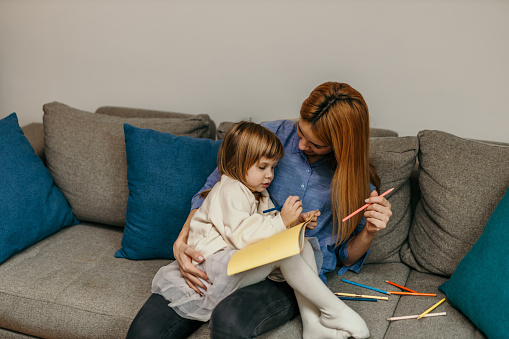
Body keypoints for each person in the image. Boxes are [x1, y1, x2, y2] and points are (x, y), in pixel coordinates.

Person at [127, 82, 392, 338]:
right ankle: (331, 312)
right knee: (145, 333)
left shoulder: (357, 183)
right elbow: (211, 191)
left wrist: (369, 230)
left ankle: (325, 317)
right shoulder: (266, 138)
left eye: (316, 144)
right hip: (230, 254)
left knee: (231, 318)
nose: (301, 146)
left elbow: (345, 256)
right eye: (300, 132)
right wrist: (182, 241)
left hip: (290, 277)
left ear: (340, 145)